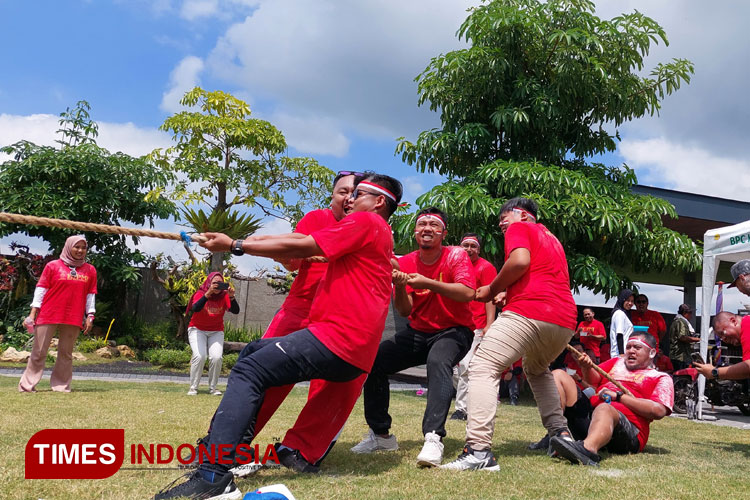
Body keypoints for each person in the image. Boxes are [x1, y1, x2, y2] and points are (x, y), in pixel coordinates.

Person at [153, 173, 402, 500]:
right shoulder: (374, 233)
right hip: (347, 348)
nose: (350, 200)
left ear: (379, 201)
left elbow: (305, 244)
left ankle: (214, 477)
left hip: (337, 340)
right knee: (254, 353)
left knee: (250, 370)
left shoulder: (367, 222)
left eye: (358, 193)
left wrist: (235, 244)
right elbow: (296, 249)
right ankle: (227, 450)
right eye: (346, 193)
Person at [442, 197, 578, 471]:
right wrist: (509, 291)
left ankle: (478, 451)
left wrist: (492, 290)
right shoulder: (552, 239)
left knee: (483, 366)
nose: (502, 224)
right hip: (564, 320)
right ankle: (560, 435)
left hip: (532, 311)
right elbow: (539, 273)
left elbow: (519, 262)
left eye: (506, 218)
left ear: (524, 216)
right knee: (538, 370)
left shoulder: (521, 228)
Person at [351, 207, 476, 468]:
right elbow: (405, 310)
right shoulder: (406, 261)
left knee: (438, 360)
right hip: (420, 331)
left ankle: (433, 437)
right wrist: (399, 285)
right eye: (422, 224)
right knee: (373, 361)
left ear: (444, 233)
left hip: (455, 330)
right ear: (415, 231)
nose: (427, 228)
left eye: (433, 224)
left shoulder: (456, 255)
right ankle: (381, 435)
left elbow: (467, 293)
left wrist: (429, 283)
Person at [550, 332, 674, 466]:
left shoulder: (661, 377)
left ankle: (588, 449)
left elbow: (658, 410)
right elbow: (594, 380)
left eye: (637, 348)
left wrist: (619, 397)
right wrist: (586, 367)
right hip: (593, 417)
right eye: (628, 347)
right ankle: (557, 434)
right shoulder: (617, 362)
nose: (631, 351)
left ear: (651, 353)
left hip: (628, 434)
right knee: (558, 375)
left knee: (605, 408)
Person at [18, 235, 97, 393]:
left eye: (84, 248)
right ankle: (27, 385)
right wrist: (33, 314)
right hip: (49, 314)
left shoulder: (90, 270)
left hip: (73, 316)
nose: (80, 250)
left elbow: (91, 295)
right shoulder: (53, 266)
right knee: (39, 352)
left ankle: (61, 386)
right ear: (68, 247)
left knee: (66, 354)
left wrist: (90, 315)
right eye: (77, 247)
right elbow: (41, 290)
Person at [450, 233, 497, 421]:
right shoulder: (456, 265)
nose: (469, 249)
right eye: (465, 245)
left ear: (479, 249)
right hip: (457, 324)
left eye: (473, 246)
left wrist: (489, 324)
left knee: (466, 366)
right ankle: (477, 400)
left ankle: (461, 409)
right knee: (455, 369)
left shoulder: (486, 267)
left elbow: (491, 297)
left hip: (477, 326)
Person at [186, 272, 239, 396]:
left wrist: (232, 297)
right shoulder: (200, 293)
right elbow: (195, 308)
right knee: (200, 356)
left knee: (216, 357)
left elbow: (235, 311)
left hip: (216, 331)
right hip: (197, 329)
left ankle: (213, 388)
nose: (217, 286)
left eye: (220, 283)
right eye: (215, 283)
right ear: (209, 283)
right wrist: (207, 294)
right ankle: (193, 388)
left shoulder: (224, 295)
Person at [693, 311, 750, 381]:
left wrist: (714, 372)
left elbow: (748, 367)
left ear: (733, 321)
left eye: (723, 333)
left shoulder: (747, 325)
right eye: (721, 337)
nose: (724, 339)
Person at [668, 304, 700, 371]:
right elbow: (682, 337)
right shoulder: (680, 322)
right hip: (680, 357)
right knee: (681, 376)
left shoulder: (677, 321)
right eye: (690, 313)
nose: (691, 315)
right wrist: (698, 340)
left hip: (677, 356)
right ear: (685, 313)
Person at [609, 289, 634, 357]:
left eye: (632, 301)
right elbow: (619, 334)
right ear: (622, 300)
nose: (630, 303)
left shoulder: (625, 314)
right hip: (619, 354)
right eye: (628, 300)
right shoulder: (619, 314)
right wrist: (621, 354)